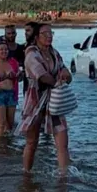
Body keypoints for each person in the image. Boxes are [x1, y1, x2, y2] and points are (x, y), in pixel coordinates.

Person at [16, 23, 73, 174]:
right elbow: (41, 76)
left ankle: (64, 177)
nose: (49, 36)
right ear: (36, 37)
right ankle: (26, 174)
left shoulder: (54, 52)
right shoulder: (31, 54)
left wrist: (66, 75)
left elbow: (63, 68)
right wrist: (57, 82)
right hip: (35, 101)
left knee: (62, 141)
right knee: (32, 141)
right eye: (45, 33)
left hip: (54, 100)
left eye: (51, 33)